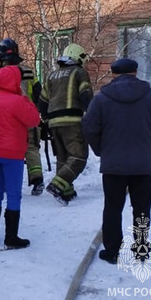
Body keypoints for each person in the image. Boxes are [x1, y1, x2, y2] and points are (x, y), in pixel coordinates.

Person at [81, 58, 151, 264]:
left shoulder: (102, 99)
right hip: (143, 164)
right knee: (141, 208)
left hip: (114, 164)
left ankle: (112, 251)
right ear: (135, 72)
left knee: (112, 207)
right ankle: (141, 249)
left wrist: (101, 150)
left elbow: (89, 127)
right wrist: (150, 148)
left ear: (113, 74)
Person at [0, 65, 41, 249]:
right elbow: (34, 120)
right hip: (13, 154)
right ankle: (11, 237)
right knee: (13, 194)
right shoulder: (18, 101)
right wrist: (27, 98)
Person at [38, 43, 93, 205]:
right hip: (72, 121)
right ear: (80, 57)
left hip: (54, 122)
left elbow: (42, 103)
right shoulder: (80, 72)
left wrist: (46, 120)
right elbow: (86, 96)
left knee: (63, 157)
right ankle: (57, 184)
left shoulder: (51, 76)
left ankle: (66, 191)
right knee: (78, 156)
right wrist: (93, 115)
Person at [0, 38, 45, 196]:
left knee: (8, 149)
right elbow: (39, 92)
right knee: (31, 148)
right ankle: (37, 179)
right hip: (28, 115)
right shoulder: (29, 71)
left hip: (8, 119)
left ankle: (6, 181)